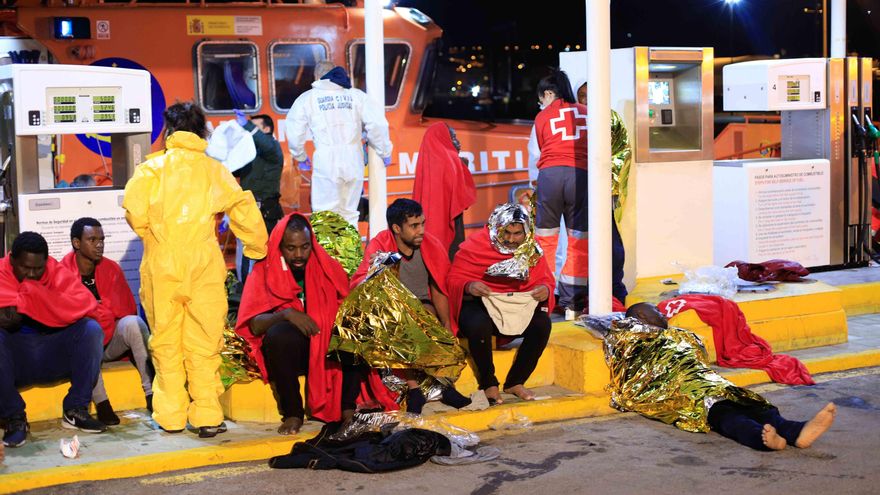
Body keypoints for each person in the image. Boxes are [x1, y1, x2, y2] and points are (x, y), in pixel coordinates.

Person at [123, 102, 268, 438]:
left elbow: (135, 213)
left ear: (169, 130)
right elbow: (241, 205)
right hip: (204, 263)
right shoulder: (214, 170)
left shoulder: (151, 170)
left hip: (162, 264)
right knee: (204, 343)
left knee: (166, 342)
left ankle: (171, 416)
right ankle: (206, 414)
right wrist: (257, 247)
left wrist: (155, 235)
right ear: (202, 130)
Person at [235, 213, 391, 435]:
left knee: (357, 327)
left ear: (312, 244)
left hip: (326, 345)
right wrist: (286, 314)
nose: (299, 254)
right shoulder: (264, 271)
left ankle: (347, 409)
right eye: (291, 248)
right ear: (280, 245)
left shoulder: (327, 267)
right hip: (293, 353)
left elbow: (345, 306)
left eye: (305, 247)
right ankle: (292, 413)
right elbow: (254, 325)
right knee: (278, 335)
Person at [605, 303, 836, 451]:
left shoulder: (674, 334)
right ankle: (762, 439)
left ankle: (796, 432)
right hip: (676, 389)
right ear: (641, 316)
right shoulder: (629, 336)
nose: (662, 313)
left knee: (747, 401)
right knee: (722, 413)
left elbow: (697, 352)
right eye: (655, 311)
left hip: (703, 379)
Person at [347, 198, 470, 413]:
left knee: (430, 319)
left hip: (423, 305)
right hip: (392, 309)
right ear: (396, 228)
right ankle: (415, 390)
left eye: (422, 223)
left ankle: (445, 385)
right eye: (414, 226)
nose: (421, 230)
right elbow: (364, 283)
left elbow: (439, 285)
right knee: (397, 322)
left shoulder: (431, 245)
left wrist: (446, 325)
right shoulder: (381, 245)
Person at [0, 232, 107, 447]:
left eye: (37, 269)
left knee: (90, 329)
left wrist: (30, 297)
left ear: (46, 262)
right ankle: (14, 418)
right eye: (24, 268)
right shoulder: (1, 272)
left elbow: (84, 302)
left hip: (52, 355)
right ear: (12, 260)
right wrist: (44, 303)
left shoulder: (56, 271)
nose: (31, 274)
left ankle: (75, 409)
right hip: (15, 362)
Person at [448, 203, 556, 405]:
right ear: (497, 228)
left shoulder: (532, 250)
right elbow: (454, 278)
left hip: (520, 306)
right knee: (478, 324)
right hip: (482, 305)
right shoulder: (476, 245)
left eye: (518, 234)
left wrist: (546, 291)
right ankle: (489, 383)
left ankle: (516, 381)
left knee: (542, 324)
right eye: (507, 233)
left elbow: (546, 280)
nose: (512, 239)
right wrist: (469, 285)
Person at [61, 217, 153, 426]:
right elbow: (66, 318)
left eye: (101, 239)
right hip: (80, 346)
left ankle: (152, 394)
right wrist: (99, 311)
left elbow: (125, 309)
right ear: (77, 243)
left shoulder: (111, 268)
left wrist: (98, 310)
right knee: (88, 330)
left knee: (133, 322)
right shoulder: (62, 273)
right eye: (92, 240)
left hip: (110, 340)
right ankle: (102, 404)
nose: (99, 244)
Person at [285, 61, 393, 227]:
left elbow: (294, 131)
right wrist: (384, 151)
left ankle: (330, 253)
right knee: (350, 214)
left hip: (326, 159)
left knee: (326, 216)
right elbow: (377, 124)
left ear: (316, 76)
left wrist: (300, 156)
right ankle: (350, 253)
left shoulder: (308, 99)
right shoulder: (356, 96)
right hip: (353, 159)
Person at [531, 70, 590, 312]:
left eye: (541, 98)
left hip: (551, 177)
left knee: (545, 240)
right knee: (579, 241)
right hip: (581, 176)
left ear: (547, 93)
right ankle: (572, 304)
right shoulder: (587, 113)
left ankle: (544, 301)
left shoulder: (542, 116)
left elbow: (543, 149)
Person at [232, 111, 285, 285]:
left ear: (267, 129)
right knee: (246, 256)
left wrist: (246, 125)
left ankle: (268, 293)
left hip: (266, 212)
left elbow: (267, 145)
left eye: (255, 127)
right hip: (248, 211)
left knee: (268, 255)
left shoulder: (273, 149)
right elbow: (233, 170)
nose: (249, 131)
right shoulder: (250, 153)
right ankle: (247, 294)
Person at [412, 122, 476, 260]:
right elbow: (465, 198)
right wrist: (463, 164)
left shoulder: (426, 159)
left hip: (429, 227)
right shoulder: (452, 161)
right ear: (443, 138)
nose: (458, 142)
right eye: (453, 137)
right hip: (451, 224)